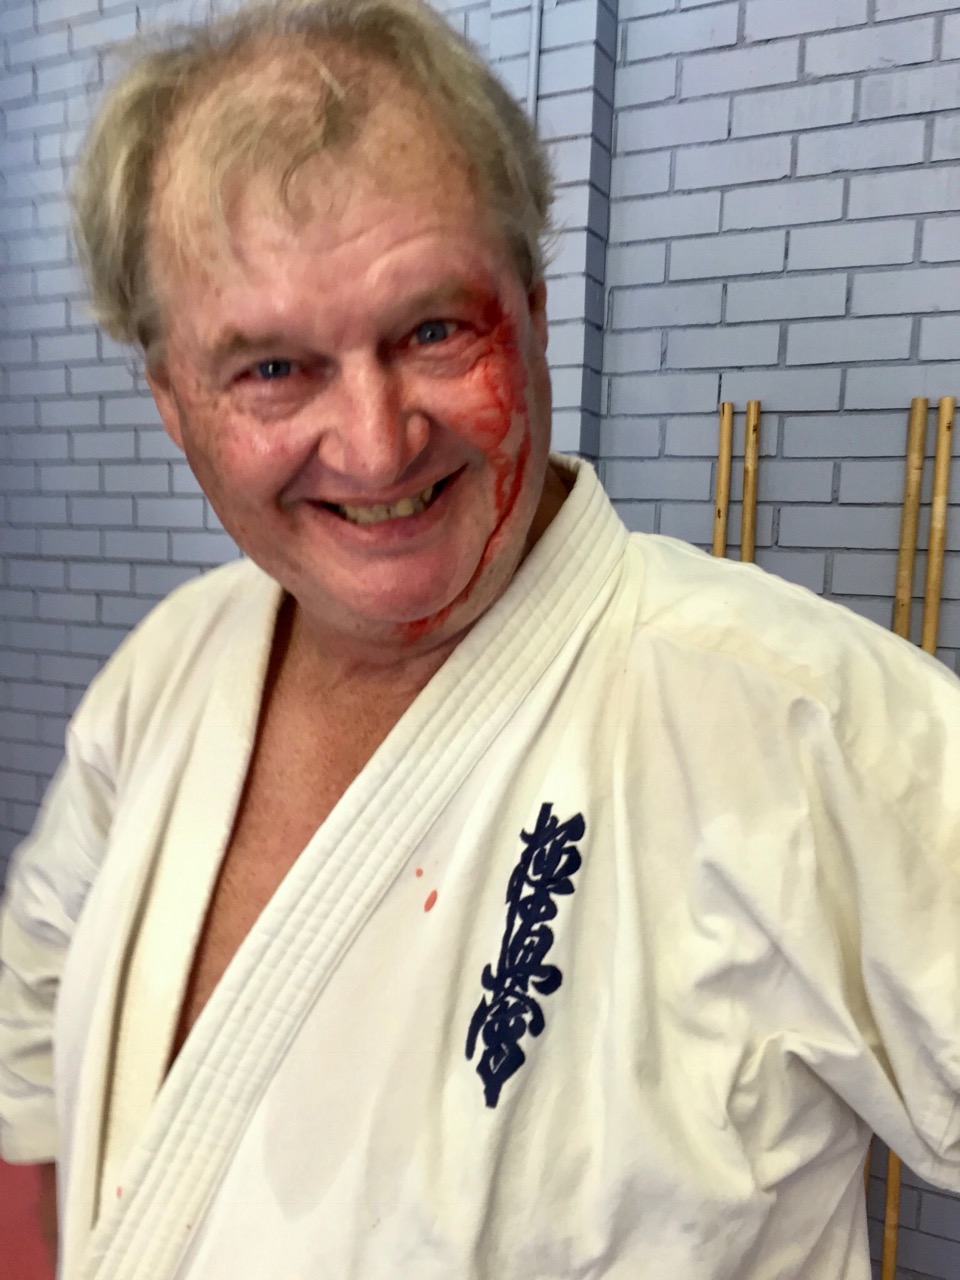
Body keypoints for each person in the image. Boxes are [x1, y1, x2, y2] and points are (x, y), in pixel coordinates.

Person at [1, 0, 959, 1276]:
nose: (376, 444)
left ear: (536, 312)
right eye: (273, 368)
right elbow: (32, 1038)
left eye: (434, 329)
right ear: (174, 401)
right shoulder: (168, 670)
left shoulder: (801, 727)